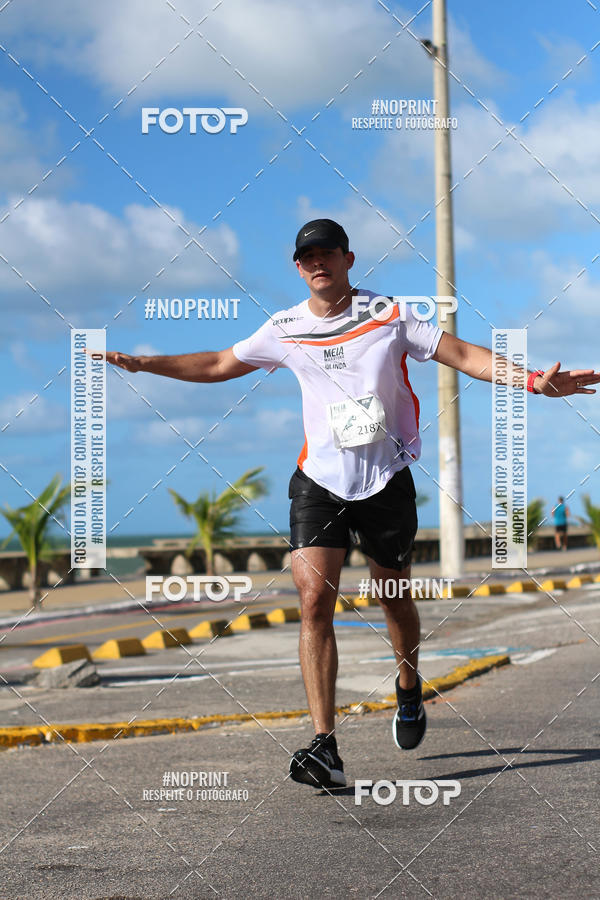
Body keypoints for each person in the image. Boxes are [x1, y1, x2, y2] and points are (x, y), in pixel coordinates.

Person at [106, 218, 600, 790]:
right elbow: (220, 364)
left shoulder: (389, 316)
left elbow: (464, 355)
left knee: (393, 597)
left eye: (328, 254)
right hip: (319, 480)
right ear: (298, 267)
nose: (318, 264)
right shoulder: (285, 328)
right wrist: (147, 364)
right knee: (314, 598)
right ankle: (325, 746)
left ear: (348, 258)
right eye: (307, 256)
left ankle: (408, 685)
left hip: (385, 479)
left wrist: (532, 381)